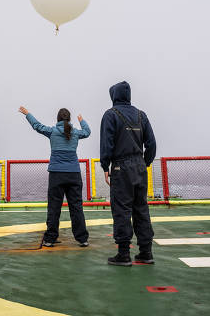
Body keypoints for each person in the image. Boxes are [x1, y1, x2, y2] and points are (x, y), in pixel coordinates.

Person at [100, 81, 157, 266]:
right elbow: (152, 144)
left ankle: (123, 254)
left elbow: (106, 144)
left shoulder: (110, 115)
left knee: (122, 209)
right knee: (141, 208)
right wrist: (144, 162)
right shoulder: (142, 115)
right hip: (139, 167)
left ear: (113, 96)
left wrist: (105, 166)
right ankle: (146, 252)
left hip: (121, 168)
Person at [18, 106, 91, 248]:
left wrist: (27, 114)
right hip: (73, 174)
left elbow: (37, 126)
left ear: (57, 119)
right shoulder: (75, 132)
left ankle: (50, 239)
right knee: (76, 207)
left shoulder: (52, 131)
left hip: (56, 174)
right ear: (69, 119)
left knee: (54, 208)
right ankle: (82, 239)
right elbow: (87, 132)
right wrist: (82, 121)